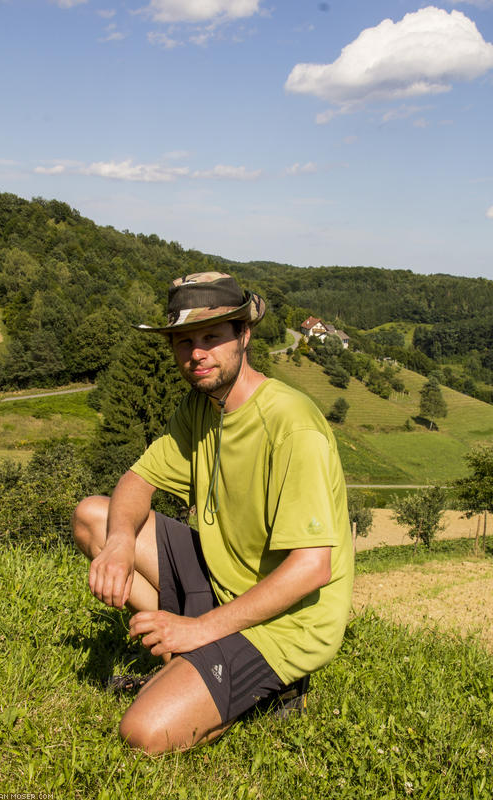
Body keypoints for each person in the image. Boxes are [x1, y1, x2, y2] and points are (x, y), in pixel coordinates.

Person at [72, 271, 353, 754]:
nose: (196, 353)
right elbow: (138, 481)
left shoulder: (292, 425)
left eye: (211, 336)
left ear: (244, 335)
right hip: (223, 579)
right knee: (95, 517)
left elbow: (312, 568)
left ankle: (266, 684)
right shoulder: (202, 405)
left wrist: (200, 629)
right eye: (184, 341)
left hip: (287, 621)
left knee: (144, 732)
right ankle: (197, 659)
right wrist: (119, 545)